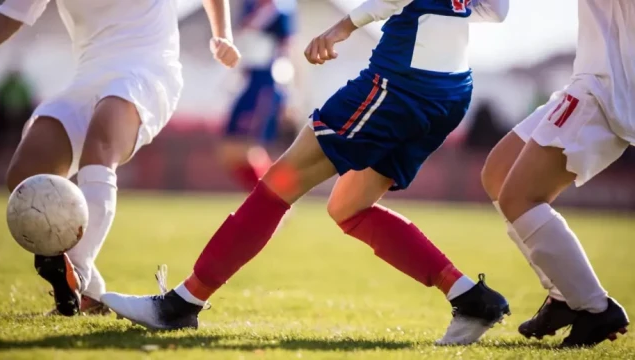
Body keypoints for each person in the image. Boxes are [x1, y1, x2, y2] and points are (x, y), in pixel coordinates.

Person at [102, 0, 510, 345]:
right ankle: (472, 298)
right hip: (451, 89)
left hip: (400, 85)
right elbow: (497, 10)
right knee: (349, 207)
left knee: (278, 186)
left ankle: (181, 304)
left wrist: (341, 27)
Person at [0, 0, 240, 316]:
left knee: (101, 146)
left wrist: (223, 36)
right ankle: (92, 292)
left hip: (147, 70)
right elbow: (7, 19)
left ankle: (78, 271)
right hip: (87, 75)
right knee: (24, 179)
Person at [480, 0, 631, 348]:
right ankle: (564, 297)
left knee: (519, 197)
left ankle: (595, 308)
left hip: (609, 88)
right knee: (498, 174)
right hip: (591, 77)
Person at [220, 0, 299, 191]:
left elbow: (288, 50)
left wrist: (290, 94)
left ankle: (275, 200)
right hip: (247, 81)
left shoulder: (280, 9)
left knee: (248, 147)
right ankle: (271, 198)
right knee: (230, 150)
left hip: (266, 83)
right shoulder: (249, 5)